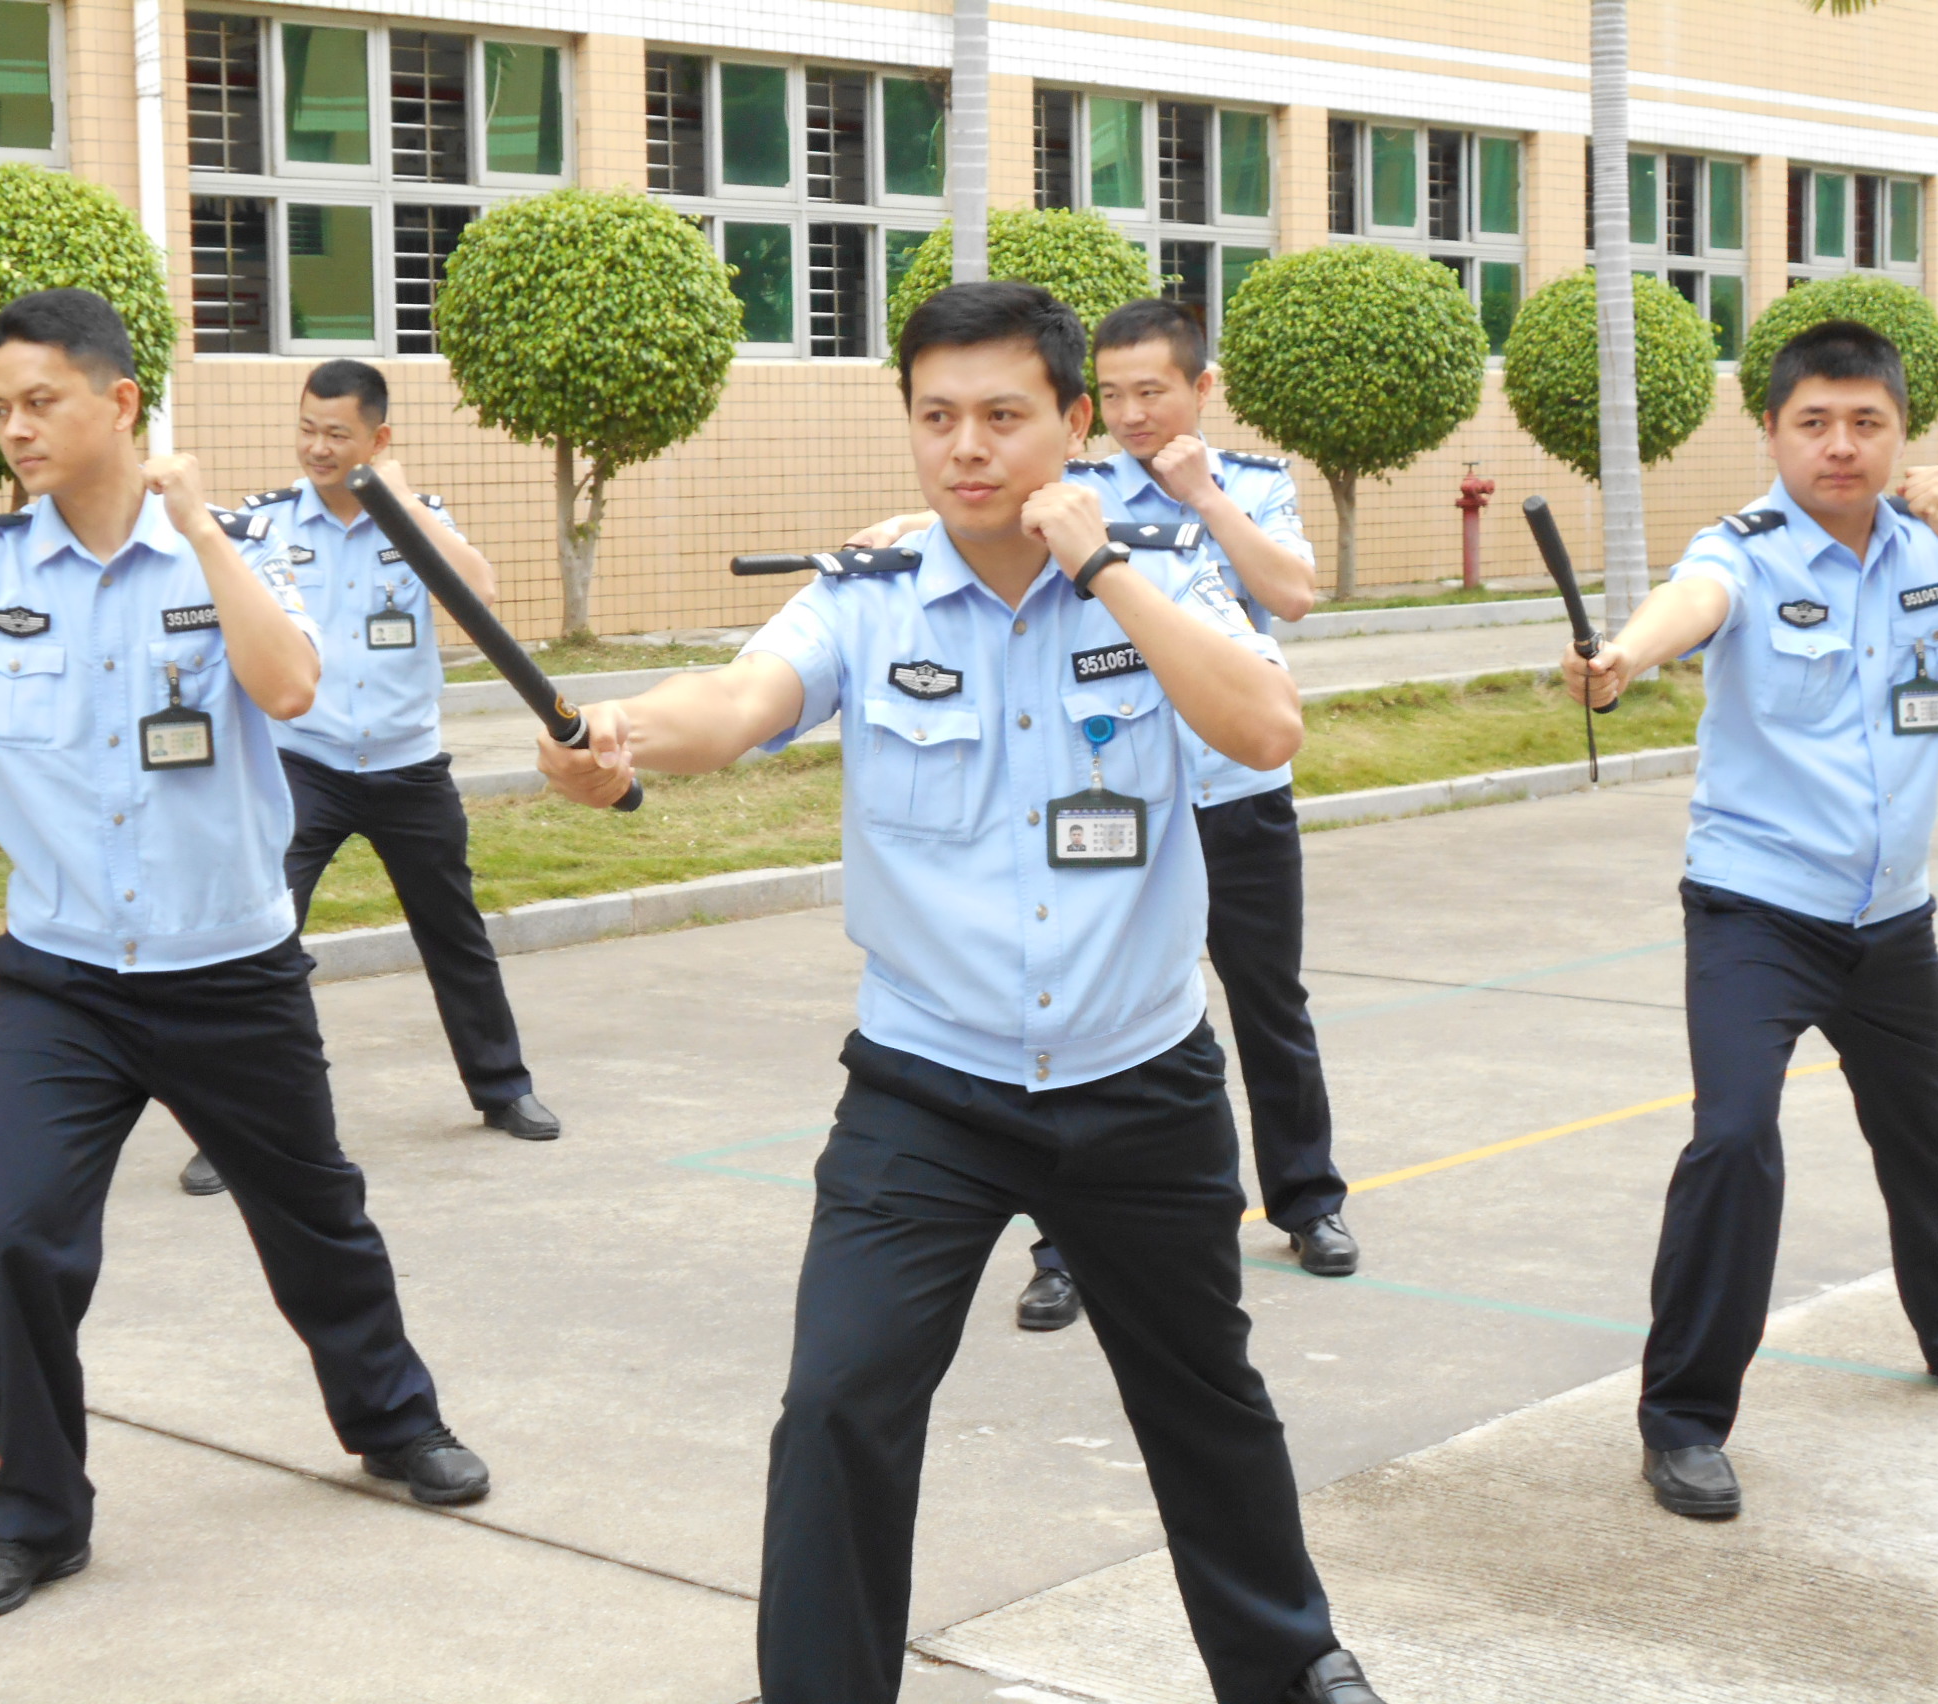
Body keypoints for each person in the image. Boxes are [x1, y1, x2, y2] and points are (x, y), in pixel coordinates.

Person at [539, 281, 1385, 1704]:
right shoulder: (872, 595)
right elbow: (741, 705)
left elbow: (1265, 722)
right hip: (930, 1088)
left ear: (1072, 422)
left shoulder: (1164, 567)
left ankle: (1290, 1669)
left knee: (1204, 1404)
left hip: (1140, 1077)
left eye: (1005, 416)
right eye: (937, 418)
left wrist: (1105, 565)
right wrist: (620, 731)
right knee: (838, 1402)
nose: (968, 449)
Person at [0, 289, 488, 1620]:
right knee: (18, 1236)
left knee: (316, 1221)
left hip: (231, 970)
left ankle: (390, 1418)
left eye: (41, 401)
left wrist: (197, 525)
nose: (17, 428)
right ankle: (37, 1516)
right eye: (2, 408)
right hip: (67, 980)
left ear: (121, 403)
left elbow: (289, 689)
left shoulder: (239, 546)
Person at [1561, 319, 1938, 1521]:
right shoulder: (1747, 551)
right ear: (1770, 431)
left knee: (1922, 1135)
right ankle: (1682, 1421)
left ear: (1900, 434)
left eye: (1865, 422)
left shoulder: (1931, 557)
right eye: (1813, 421)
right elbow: (1688, 604)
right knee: (1733, 1139)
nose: (1839, 446)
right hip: (1757, 910)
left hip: (1891, 919)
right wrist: (1620, 657)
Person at [853, 297, 1355, 1335]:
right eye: (1114, 395)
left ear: (1200, 388)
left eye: (1153, 392)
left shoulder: (1255, 483)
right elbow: (973, 521)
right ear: (1084, 409)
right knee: (1071, 999)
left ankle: (1308, 1199)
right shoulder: (1056, 476)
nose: (1132, 414)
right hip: (1105, 789)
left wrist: (1202, 498)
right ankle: (1063, 1247)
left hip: (1234, 790)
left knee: (1268, 1001)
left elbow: (1292, 595)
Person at [176, 360, 557, 1198]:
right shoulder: (269, 525)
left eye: (337, 433)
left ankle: (503, 1089)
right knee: (260, 941)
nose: (317, 447)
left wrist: (403, 498)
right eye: (307, 427)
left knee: (454, 935)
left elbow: (482, 596)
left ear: (379, 441)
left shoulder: (417, 521)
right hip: (301, 763)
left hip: (407, 767)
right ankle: (229, 1129)